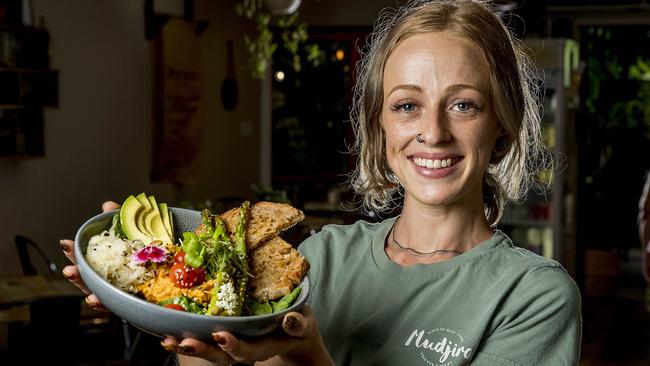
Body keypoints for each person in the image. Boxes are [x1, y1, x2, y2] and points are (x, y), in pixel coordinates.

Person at [60, 0, 582, 364]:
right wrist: (166, 310)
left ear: (501, 125)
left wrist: (304, 355)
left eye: (463, 104)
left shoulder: (533, 296)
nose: (433, 131)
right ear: (380, 126)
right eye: (406, 105)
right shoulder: (320, 258)